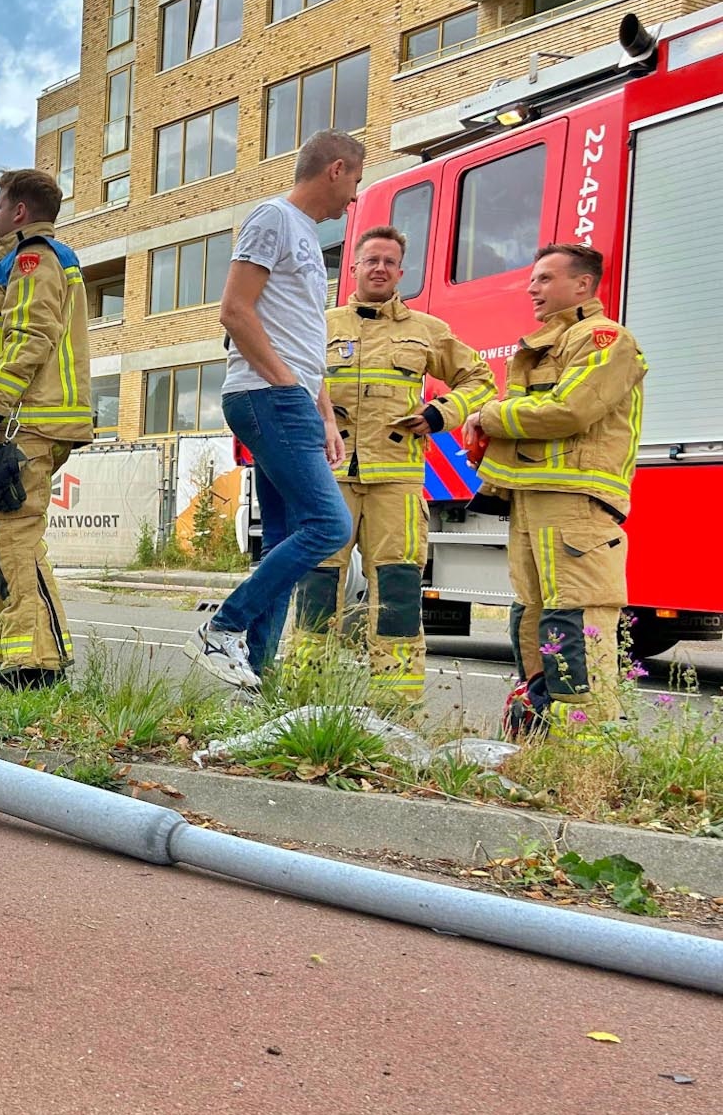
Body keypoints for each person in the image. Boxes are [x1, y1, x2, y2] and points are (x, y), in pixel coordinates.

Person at [186, 131, 364, 689]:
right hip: (266, 396)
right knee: (330, 524)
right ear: (335, 169)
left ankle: (256, 682)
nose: (355, 197)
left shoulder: (308, 238)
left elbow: (302, 339)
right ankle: (224, 627)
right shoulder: (273, 218)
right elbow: (235, 311)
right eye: (356, 181)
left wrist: (327, 415)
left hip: (287, 398)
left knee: (288, 537)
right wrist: (289, 389)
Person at [291, 226, 495, 701]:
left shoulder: (426, 331)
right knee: (317, 582)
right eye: (371, 260)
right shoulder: (319, 325)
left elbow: (480, 379)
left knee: (399, 587)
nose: (379, 268)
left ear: (401, 272)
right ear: (354, 270)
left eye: (389, 262)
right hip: (330, 475)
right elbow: (288, 381)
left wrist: (439, 413)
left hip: (397, 480)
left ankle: (395, 703)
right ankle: (303, 695)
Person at [468, 243, 645, 729]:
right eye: (533, 279)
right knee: (533, 618)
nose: (532, 288)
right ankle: (540, 734)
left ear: (583, 285)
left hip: (576, 508)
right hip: (532, 502)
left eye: (545, 278)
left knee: (576, 616)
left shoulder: (606, 338)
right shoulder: (549, 343)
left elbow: (569, 410)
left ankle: (582, 749)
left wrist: (487, 416)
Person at [0, 167, 93, 690]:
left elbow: (29, 339)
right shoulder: (9, 264)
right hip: (13, 425)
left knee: (12, 540)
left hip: (23, 425)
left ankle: (37, 664)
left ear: (20, 212)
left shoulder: (33, 260)